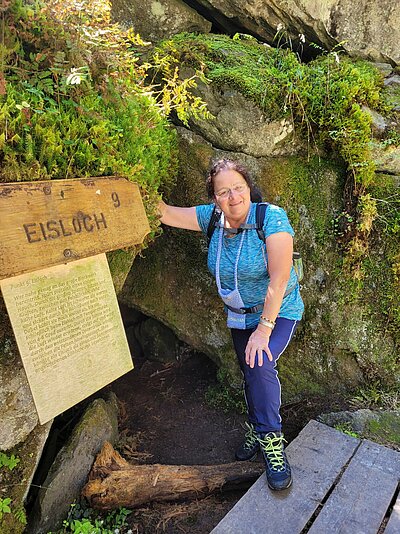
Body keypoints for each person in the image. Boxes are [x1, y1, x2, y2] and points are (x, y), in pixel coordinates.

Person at [158, 158, 304, 491]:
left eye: (238, 187)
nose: (233, 196)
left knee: (260, 361)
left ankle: (272, 443)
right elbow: (163, 212)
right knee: (248, 369)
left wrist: (264, 330)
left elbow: (280, 278)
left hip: (278, 311)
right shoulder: (211, 218)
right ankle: (257, 424)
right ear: (214, 198)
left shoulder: (271, 217)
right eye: (224, 191)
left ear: (248, 187)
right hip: (240, 316)